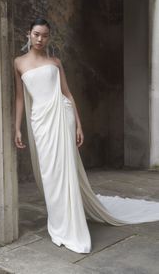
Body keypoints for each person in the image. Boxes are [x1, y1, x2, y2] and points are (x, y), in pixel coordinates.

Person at [14, 18, 159, 254]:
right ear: (28, 34)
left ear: (49, 37)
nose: (40, 39)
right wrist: (17, 127)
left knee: (66, 170)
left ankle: (70, 225)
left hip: (62, 116)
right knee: (49, 173)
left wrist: (79, 125)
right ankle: (59, 221)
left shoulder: (55, 62)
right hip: (40, 122)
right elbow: (20, 98)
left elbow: (68, 94)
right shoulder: (18, 63)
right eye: (36, 34)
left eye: (45, 35)